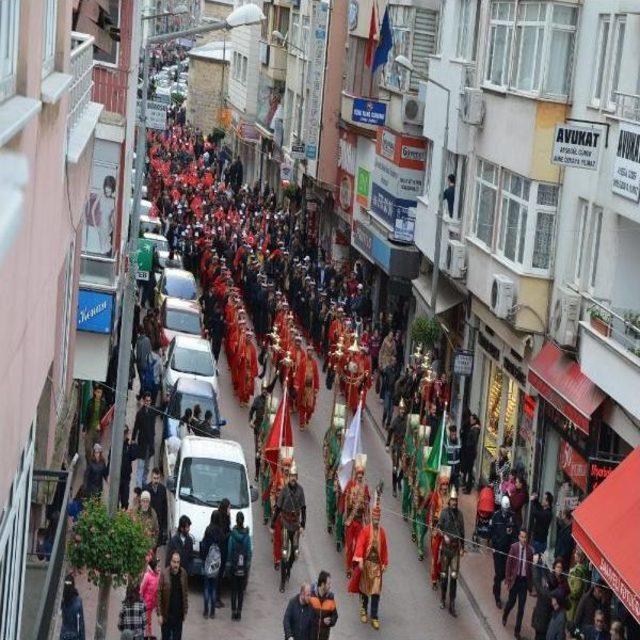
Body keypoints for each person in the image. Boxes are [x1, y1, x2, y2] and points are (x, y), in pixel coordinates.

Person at [349, 491, 388, 630]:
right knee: (365, 590)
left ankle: (375, 615)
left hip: (376, 566)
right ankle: (364, 609)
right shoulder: (365, 531)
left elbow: (384, 549)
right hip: (366, 564)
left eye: (378, 518)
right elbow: (360, 544)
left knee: (376, 592)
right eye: (375, 518)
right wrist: (359, 559)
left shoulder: (382, 533)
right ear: (372, 518)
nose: (376, 520)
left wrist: (384, 563)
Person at [270, 460, 306, 593]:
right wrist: (273, 524)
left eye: (294, 476)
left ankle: (289, 568)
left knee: (295, 554)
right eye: (291, 476)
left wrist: (303, 524)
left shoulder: (301, 490)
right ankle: (282, 581)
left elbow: (303, 508)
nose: (292, 478)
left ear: (297, 477)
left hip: (295, 525)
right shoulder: (284, 490)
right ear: (289, 477)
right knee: (284, 553)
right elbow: (278, 507)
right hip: (285, 523)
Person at [438, 485, 466, 616]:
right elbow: (439, 527)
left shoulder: (460, 515)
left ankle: (452, 603)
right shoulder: (444, 513)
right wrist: (444, 535)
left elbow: (462, 532)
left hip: (455, 550)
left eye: (456, 500)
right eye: (452, 500)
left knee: (454, 576)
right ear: (449, 501)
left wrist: (463, 547)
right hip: (446, 548)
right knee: (444, 575)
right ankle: (443, 598)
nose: (454, 502)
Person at [503, 529, 534, 640]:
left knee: (521, 607)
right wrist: (507, 580)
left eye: (525, 537)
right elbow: (508, 564)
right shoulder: (514, 548)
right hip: (515, 580)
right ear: (519, 537)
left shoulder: (530, 551)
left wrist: (531, 585)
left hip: (524, 582)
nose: (524, 539)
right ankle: (505, 614)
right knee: (511, 602)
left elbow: (530, 568)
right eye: (522, 537)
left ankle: (517, 631)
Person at [532, 557, 569, 640]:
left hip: (552, 618)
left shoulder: (564, 583)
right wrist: (552, 598)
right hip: (542, 615)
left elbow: (567, 602)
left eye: (561, 568)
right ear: (554, 567)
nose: (559, 569)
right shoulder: (549, 578)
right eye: (557, 567)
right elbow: (541, 590)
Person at [490, 495, 517, 608]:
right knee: (499, 572)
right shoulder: (496, 516)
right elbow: (492, 532)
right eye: (504, 509)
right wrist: (494, 544)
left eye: (507, 508)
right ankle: (497, 597)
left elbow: (515, 532)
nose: (506, 511)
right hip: (498, 550)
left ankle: (496, 585)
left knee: (505, 575)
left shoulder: (512, 516)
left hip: (508, 550)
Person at [157, 551, 189, 640]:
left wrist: (185, 611)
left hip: (178, 616)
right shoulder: (164, 574)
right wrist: (159, 614)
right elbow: (159, 594)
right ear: (170, 562)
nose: (176, 564)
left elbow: (185, 593)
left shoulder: (183, 574)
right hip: (167, 615)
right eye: (174, 562)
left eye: (178, 562)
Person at [228, 511, 252, 620]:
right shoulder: (247, 536)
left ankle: (233, 612)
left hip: (234, 566)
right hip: (243, 568)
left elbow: (229, 550)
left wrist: (230, 563)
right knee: (241, 592)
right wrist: (247, 565)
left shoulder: (232, 535)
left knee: (233, 590)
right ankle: (239, 612)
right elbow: (249, 552)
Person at [200, 511, 223, 619]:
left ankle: (205, 610)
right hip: (216, 564)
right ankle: (213, 612)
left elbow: (204, 546)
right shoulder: (220, 532)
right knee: (214, 587)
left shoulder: (208, 530)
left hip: (208, 562)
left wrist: (203, 558)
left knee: (206, 587)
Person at [133, 393, 156, 489]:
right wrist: (133, 439)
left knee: (146, 467)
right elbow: (136, 427)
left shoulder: (152, 412)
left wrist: (166, 402)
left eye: (149, 401)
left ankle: (143, 482)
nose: (147, 403)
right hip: (142, 444)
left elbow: (162, 410)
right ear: (143, 401)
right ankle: (138, 486)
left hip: (149, 445)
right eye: (146, 401)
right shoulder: (140, 413)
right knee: (140, 466)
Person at [309, 570, 338, 640]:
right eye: (328, 584)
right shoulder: (310, 597)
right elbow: (306, 617)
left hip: (324, 637)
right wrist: (322, 622)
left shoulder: (330, 597)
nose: (330, 586)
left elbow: (335, 615)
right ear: (322, 584)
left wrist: (331, 621)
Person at [82, 384, 108, 461]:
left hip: (98, 430)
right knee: (87, 449)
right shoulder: (90, 403)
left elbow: (105, 418)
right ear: (94, 392)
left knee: (96, 449)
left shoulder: (103, 404)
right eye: (98, 392)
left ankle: (93, 465)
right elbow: (86, 416)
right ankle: (89, 464)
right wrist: (84, 430)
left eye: (100, 393)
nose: (99, 394)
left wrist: (101, 425)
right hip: (90, 429)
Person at [249, 382, 269, 480]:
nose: (265, 390)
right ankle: (257, 473)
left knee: (266, 453)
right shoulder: (257, 400)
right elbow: (251, 411)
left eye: (266, 388)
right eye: (263, 388)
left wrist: (277, 374)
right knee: (258, 453)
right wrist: (250, 421)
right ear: (261, 389)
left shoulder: (269, 401)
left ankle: (264, 472)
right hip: (258, 430)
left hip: (266, 431)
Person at [144, 468, 168, 545]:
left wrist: (164, 527)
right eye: (154, 478)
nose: (156, 481)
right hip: (149, 522)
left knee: (157, 544)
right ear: (151, 478)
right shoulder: (146, 489)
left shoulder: (163, 489)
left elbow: (165, 508)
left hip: (159, 523)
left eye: (158, 478)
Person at [215, 498, 231, 608]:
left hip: (223, 551)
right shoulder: (221, 520)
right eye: (229, 507)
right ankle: (216, 598)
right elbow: (222, 537)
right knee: (218, 575)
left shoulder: (225, 518)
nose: (230, 509)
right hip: (220, 551)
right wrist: (230, 533)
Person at [566, 548, 590, 622]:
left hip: (572, 603)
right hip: (574, 602)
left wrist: (566, 593)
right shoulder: (584, 570)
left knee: (569, 621)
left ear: (580, 558)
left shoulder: (577, 572)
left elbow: (576, 591)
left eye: (576, 554)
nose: (574, 555)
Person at [59, 573, 85, 640]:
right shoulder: (78, 601)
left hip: (64, 635)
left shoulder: (63, 601)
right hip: (74, 635)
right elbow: (80, 624)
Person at [140, 557, 160, 640]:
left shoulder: (158, 575)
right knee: (148, 623)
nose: (159, 568)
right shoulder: (147, 576)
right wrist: (141, 602)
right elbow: (141, 590)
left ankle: (147, 635)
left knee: (148, 622)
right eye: (158, 566)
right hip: (146, 604)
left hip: (152, 604)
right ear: (153, 567)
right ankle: (147, 636)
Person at [460, 413, 481, 493]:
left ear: (475, 420)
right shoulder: (474, 428)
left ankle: (468, 488)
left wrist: (468, 446)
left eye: (471, 419)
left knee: (469, 470)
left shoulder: (475, 429)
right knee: (468, 469)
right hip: (470, 451)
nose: (470, 421)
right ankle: (467, 486)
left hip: (471, 452)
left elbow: (473, 441)